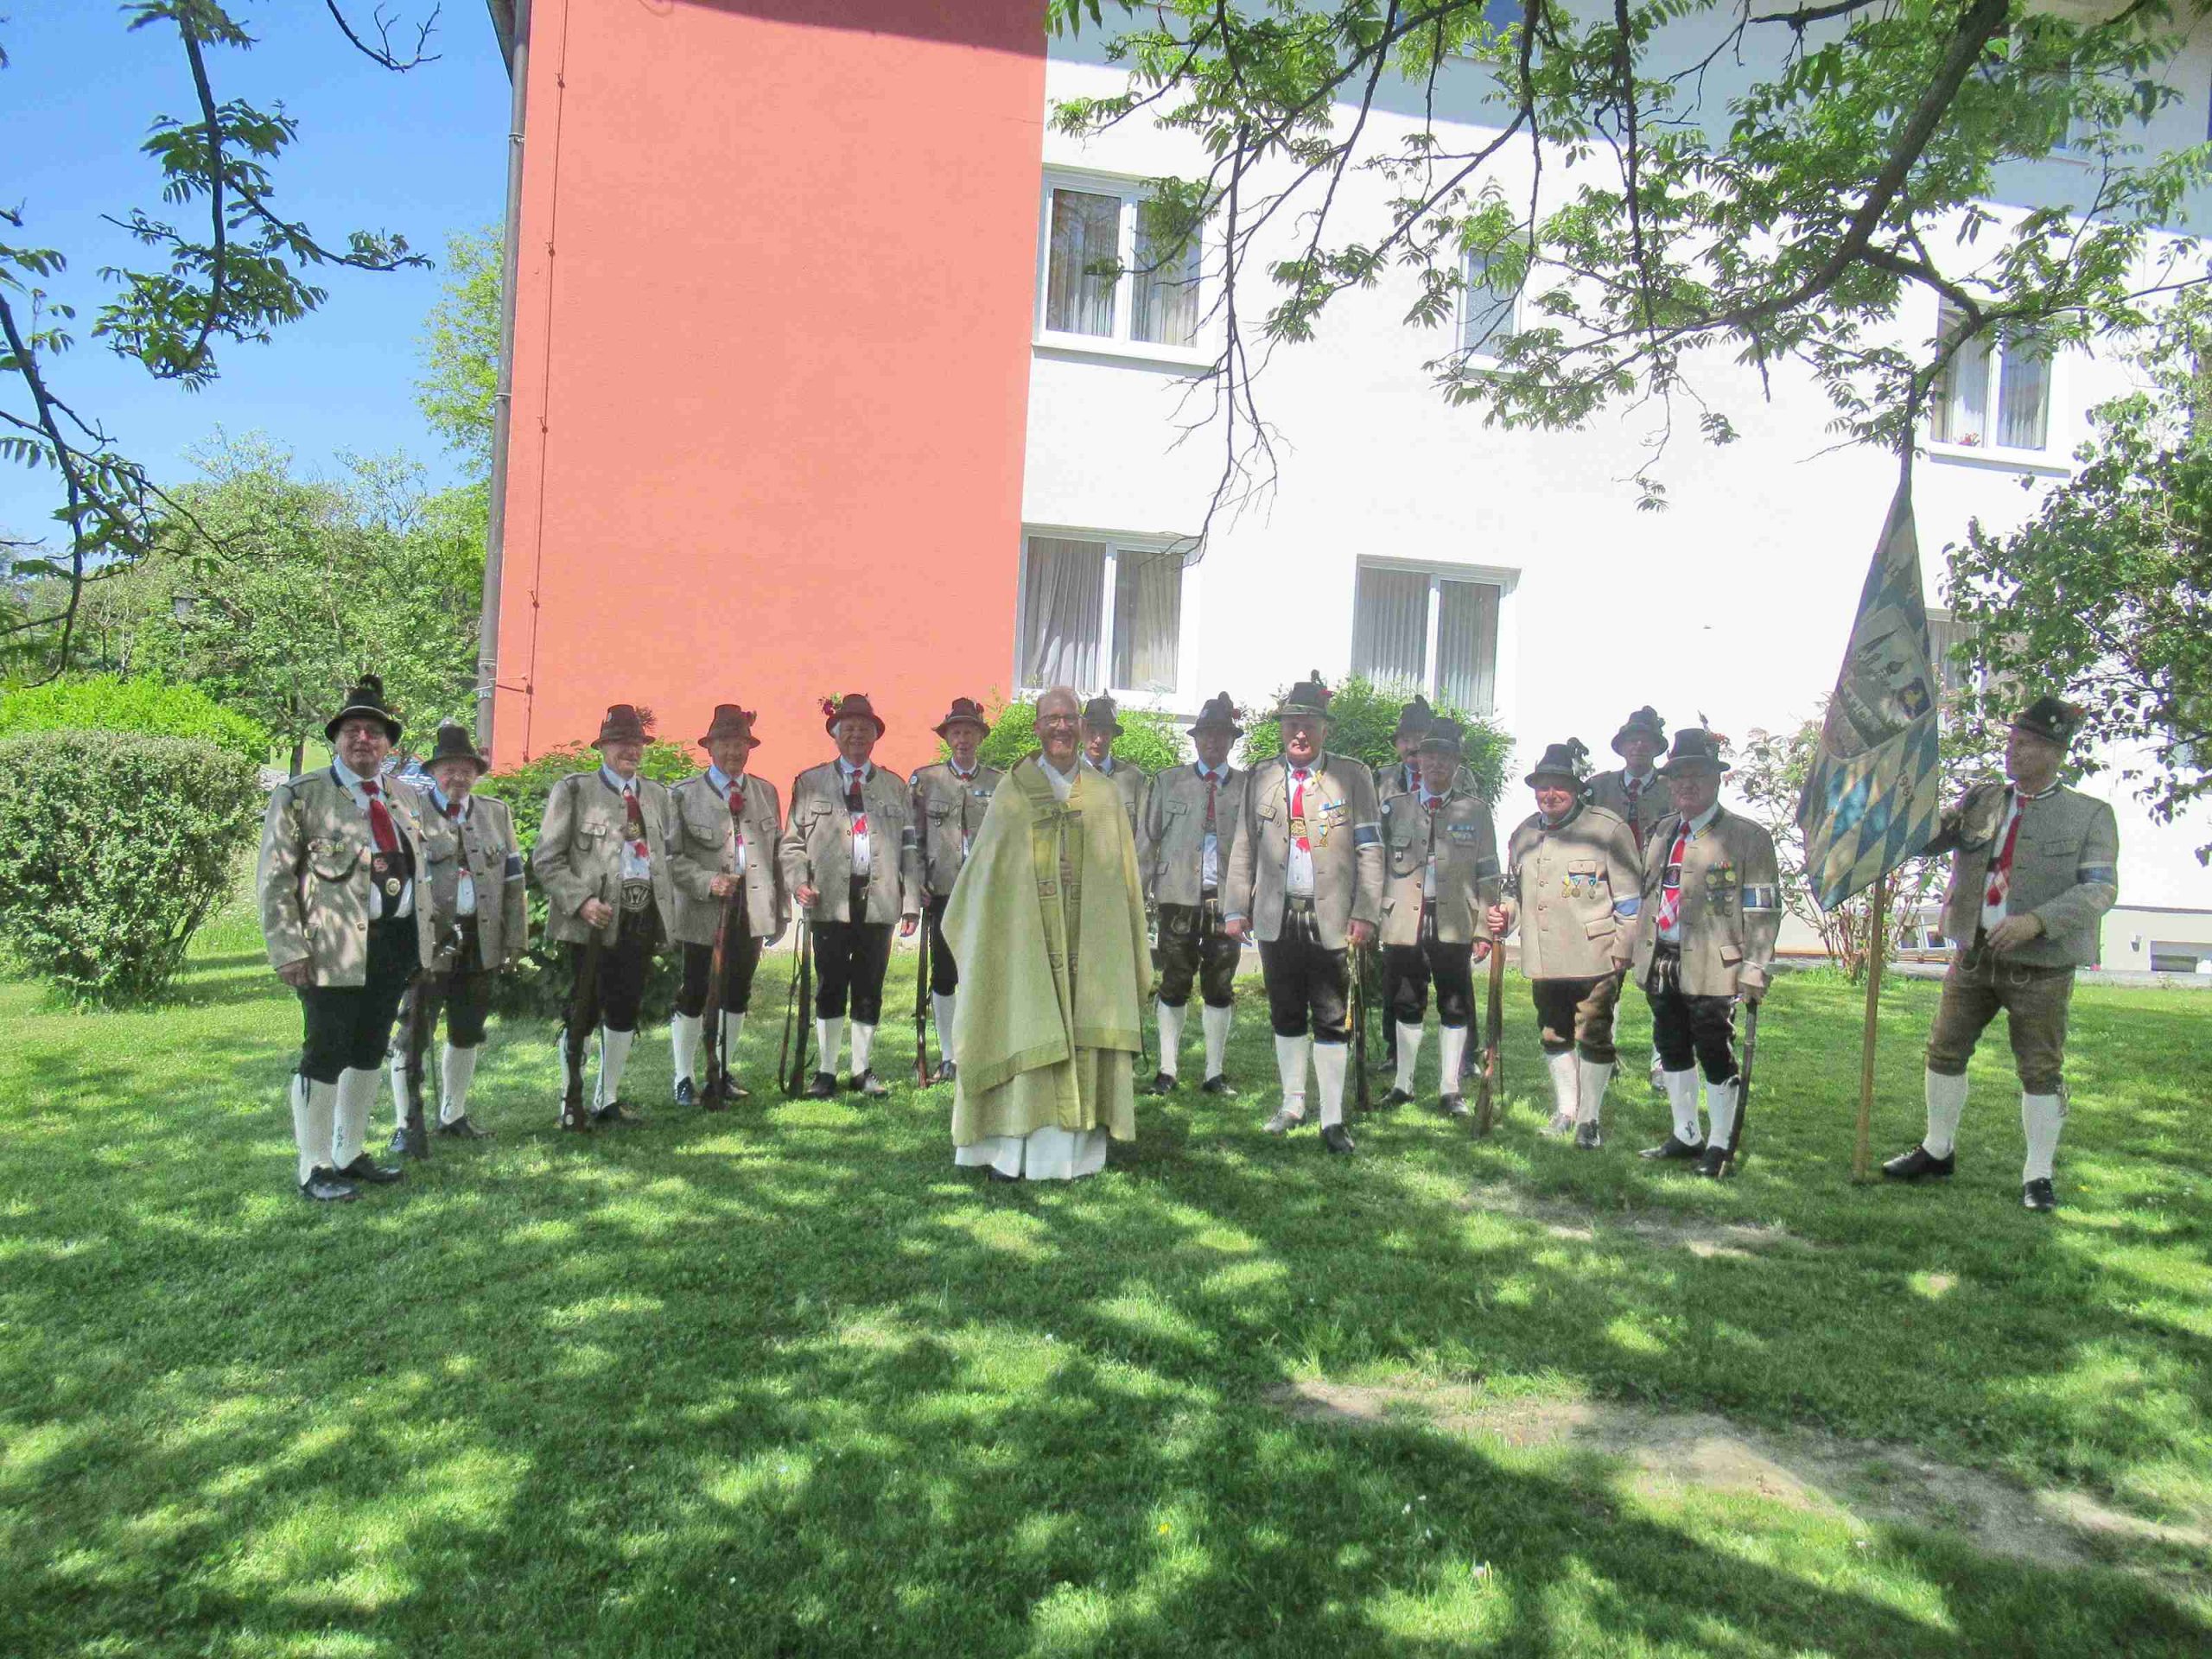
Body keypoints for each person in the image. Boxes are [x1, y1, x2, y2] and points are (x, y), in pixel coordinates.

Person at [1882, 696, 2119, 1212]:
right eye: (2011, 741)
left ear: (2056, 752)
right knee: (1944, 1051)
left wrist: (2037, 921)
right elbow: (1927, 839)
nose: (2013, 751)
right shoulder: (1983, 800)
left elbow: (2099, 890)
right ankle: (1937, 1150)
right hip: (1973, 954)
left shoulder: (2090, 816)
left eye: (2026, 744)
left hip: (2042, 966)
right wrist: (1902, 798)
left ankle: (2038, 1175)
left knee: (2040, 1069)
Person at [944, 685, 1150, 1180]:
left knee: (1083, 1025)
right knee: (1021, 1019)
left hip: (1088, 949)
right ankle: (1008, 1150)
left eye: (1069, 718)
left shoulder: (1104, 796)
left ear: (1081, 726)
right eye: (1051, 719)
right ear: (1037, 727)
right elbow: (984, 877)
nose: (1061, 727)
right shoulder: (1012, 794)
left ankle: (1075, 1154)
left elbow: (1123, 883)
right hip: (1024, 947)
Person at [257, 675, 436, 1200]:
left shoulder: (406, 796)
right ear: (336, 739)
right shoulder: (301, 795)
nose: (364, 740)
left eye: (374, 733)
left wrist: (425, 942)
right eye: (353, 730)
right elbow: (275, 879)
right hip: (330, 948)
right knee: (326, 1050)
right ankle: (314, 1166)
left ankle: (349, 1151)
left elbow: (422, 871)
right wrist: (288, 948)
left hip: (394, 942)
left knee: (369, 1048)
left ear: (388, 745)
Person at [1223, 671, 1384, 1154]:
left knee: (1332, 1015)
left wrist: (1366, 911)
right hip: (1277, 914)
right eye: (1292, 724)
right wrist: (1236, 907)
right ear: (1282, 727)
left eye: (1310, 725)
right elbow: (1243, 846)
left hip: (1331, 916)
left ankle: (1332, 1118)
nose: (1300, 733)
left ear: (1324, 729)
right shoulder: (1260, 776)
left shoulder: (1352, 776)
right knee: (1285, 1010)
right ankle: (1292, 1104)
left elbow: (1370, 848)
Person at [1628, 728, 1782, 1178]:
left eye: (1696, 775)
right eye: (1678, 776)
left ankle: (1719, 1142)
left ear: (1717, 779)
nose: (1686, 784)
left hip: (1717, 962)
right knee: (1671, 1045)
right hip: (1663, 957)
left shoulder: (1747, 837)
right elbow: (1650, 895)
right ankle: (1686, 1133)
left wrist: (1755, 965)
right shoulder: (1661, 833)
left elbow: (1762, 909)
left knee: (1714, 1048)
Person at [1488, 740, 1642, 1149]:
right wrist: (1505, 915)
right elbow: (1515, 893)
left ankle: (1589, 1120)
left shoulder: (1607, 830)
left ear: (1576, 789)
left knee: (1593, 1034)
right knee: (1554, 1033)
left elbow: (1630, 899)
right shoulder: (1524, 834)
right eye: (1543, 786)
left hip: (1596, 953)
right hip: (1544, 954)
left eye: (1560, 785)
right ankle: (1566, 1110)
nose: (1550, 794)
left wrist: (1625, 948)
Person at [533, 704, 678, 1128]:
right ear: (602, 747)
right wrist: (581, 901)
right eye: (620, 743)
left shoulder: (657, 795)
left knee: (624, 1008)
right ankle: (571, 1100)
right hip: (590, 922)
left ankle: (608, 1097)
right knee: (581, 1010)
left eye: (636, 744)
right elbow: (546, 860)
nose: (630, 751)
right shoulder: (575, 791)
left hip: (640, 916)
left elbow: (664, 857)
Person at [385, 722, 525, 1154]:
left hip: (480, 940)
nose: (457, 777)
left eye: (466, 770)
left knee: (467, 1030)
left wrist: (514, 939)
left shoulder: (496, 813)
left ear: (476, 774)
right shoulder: (410, 813)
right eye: (449, 769)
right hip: (429, 943)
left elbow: (513, 881)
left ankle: (453, 1114)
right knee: (413, 1034)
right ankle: (406, 1123)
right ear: (433, 773)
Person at [780, 693, 921, 1097]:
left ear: (876, 737)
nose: (857, 735)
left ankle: (861, 1069)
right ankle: (826, 1071)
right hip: (828, 899)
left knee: (869, 983)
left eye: (865, 729)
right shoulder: (810, 783)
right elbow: (792, 844)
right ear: (836, 735)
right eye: (850, 729)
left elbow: (909, 848)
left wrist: (910, 901)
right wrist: (798, 882)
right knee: (829, 983)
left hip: (879, 899)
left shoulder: (895, 786)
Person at [1376, 718, 1500, 1119]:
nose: (1436, 764)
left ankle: (1450, 1088)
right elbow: (1374, 866)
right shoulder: (1395, 808)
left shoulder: (1476, 812)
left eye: (1445, 758)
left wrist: (1484, 929)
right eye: (1429, 756)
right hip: (1403, 920)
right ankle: (1403, 1084)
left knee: (1455, 1003)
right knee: (1405, 1001)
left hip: (1454, 919)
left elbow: (1488, 873)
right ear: (1419, 760)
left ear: (1455, 764)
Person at [667, 703, 787, 1107]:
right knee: (694, 990)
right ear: (710, 747)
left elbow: (776, 855)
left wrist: (780, 912)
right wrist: (706, 881)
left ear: (749, 748)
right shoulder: (683, 795)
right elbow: (669, 857)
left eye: (740, 744)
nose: (734, 751)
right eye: (725, 743)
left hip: (751, 906)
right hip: (703, 909)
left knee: (738, 991)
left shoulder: (765, 792)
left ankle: (722, 1071)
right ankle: (684, 1077)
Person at [1139, 691, 1246, 1096]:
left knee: (1220, 983)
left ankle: (1214, 1073)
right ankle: (1167, 1069)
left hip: (1226, 899)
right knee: (1174, 979)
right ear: (1196, 739)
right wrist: (1139, 894)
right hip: (1177, 896)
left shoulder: (1246, 787)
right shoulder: (1168, 782)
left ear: (1231, 741)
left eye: (1220, 734)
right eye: (1206, 734)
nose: (1212, 741)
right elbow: (1147, 840)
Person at [910, 696, 1002, 1084]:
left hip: (985, 892)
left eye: (969, 732)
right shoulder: (926, 781)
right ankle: (948, 1053)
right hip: (943, 889)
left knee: (981, 972)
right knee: (945, 973)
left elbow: (1009, 841)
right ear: (947, 738)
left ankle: (978, 1049)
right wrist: (916, 883)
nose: (963, 739)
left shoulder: (999, 783)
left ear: (980, 737)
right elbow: (913, 838)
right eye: (956, 733)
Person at [1081, 694, 1148, 837]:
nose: (1098, 740)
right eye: (1092, 732)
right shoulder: (1066, 774)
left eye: (1105, 733)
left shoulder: (1134, 779)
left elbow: (1144, 835)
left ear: (1113, 736)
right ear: (1081, 733)